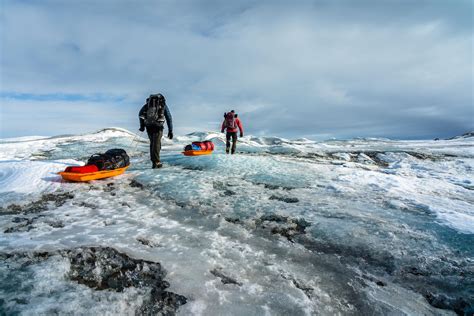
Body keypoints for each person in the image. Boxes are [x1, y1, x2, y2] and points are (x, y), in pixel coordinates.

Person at [139, 93, 173, 169]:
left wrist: (142, 126)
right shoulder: (163, 105)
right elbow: (169, 117)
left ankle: (154, 161)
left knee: (153, 144)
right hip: (158, 126)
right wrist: (170, 130)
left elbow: (140, 114)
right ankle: (156, 162)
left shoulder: (147, 105)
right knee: (156, 144)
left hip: (149, 127)